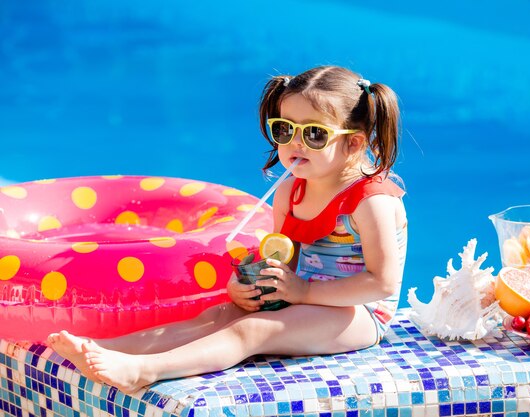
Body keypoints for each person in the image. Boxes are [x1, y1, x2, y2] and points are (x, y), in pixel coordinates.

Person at [47, 65, 408, 394]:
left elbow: (382, 283)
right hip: (308, 297)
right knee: (218, 315)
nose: (294, 144)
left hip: (359, 313)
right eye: (285, 130)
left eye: (314, 134)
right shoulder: (292, 189)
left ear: (354, 142)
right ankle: (101, 350)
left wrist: (304, 291)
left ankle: (144, 370)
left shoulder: (369, 201)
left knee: (250, 331)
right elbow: (284, 255)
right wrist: (252, 283)